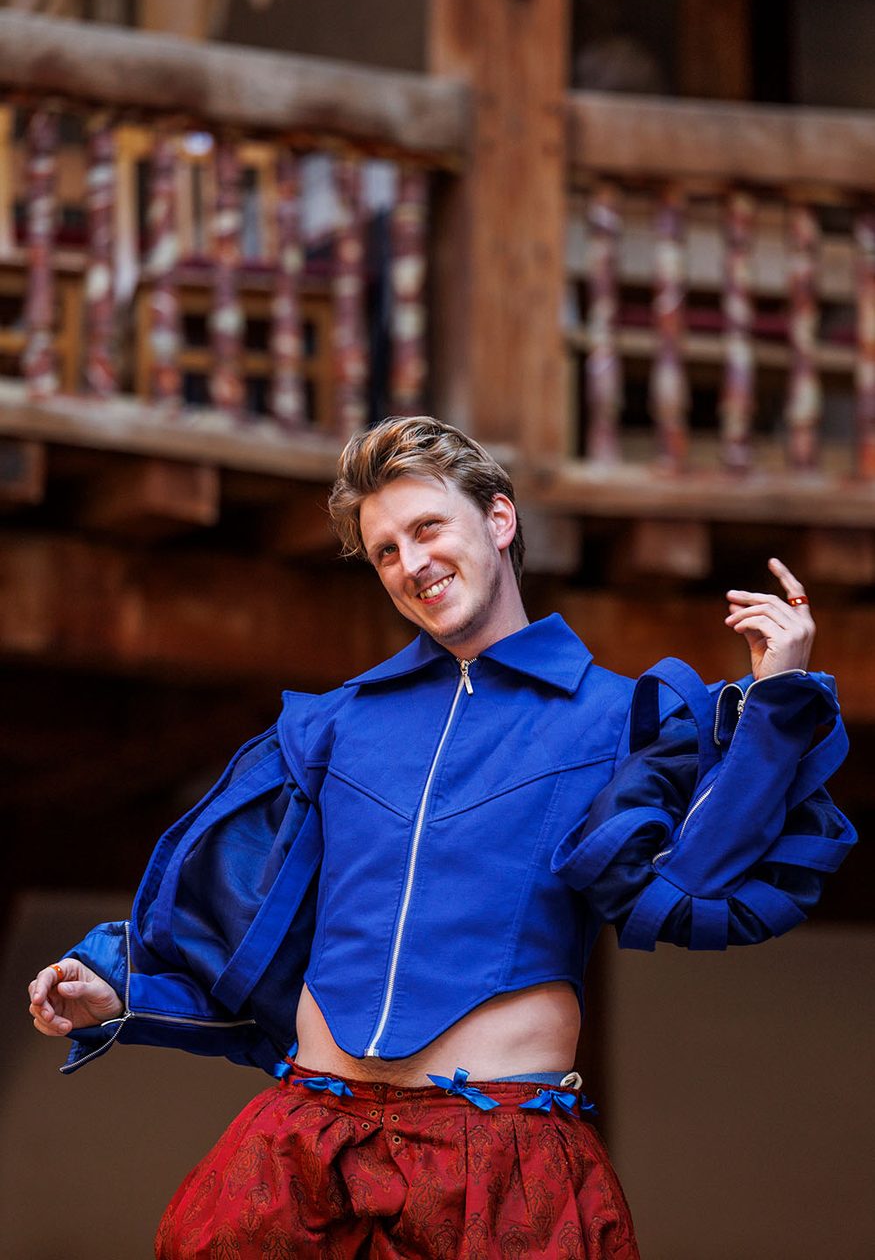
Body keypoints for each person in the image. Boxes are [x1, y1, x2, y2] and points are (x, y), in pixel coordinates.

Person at [27, 416, 855, 1259]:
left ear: (498, 521)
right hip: (302, 1149)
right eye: (384, 550)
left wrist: (775, 701)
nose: (410, 563)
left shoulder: (621, 717)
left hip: (496, 1159)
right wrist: (126, 993)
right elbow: (247, 933)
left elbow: (697, 880)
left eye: (426, 528)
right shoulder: (333, 725)